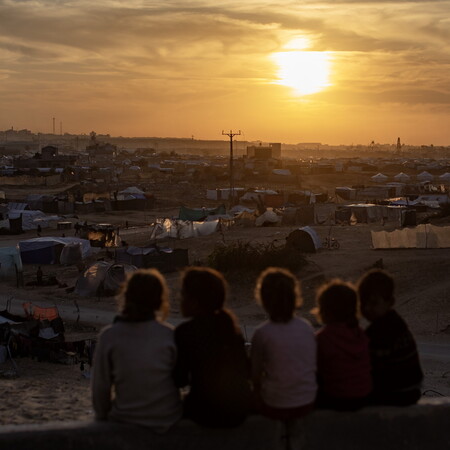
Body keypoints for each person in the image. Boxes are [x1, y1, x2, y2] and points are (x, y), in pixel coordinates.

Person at [91, 269, 182, 433]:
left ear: (126, 297)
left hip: (125, 421)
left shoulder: (109, 336)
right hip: (167, 421)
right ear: (159, 300)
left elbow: (100, 390)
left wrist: (103, 416)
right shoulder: (169, 334)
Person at [174, 267, 252, 427]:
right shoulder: (230, 328)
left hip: (206, 413)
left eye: (182, 294)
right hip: (239, 411)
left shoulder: (186, 332)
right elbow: (246, 370)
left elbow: (179, 379)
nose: (179, 299)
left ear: (194, 302)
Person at [251, 267, 317, 420]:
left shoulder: (262, 333)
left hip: (275, 404)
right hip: (307, 401)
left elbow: (256, 375)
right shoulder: (305, 327)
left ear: (263, 300)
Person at [358, 269, 423, 406]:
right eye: (363, 303)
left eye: (374, 303)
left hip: (395, 394)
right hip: (411, 391)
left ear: (390, 302)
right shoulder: (396, 322)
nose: (367, 308)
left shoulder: (380, 331)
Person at [314, 280, 372, 411]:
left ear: (324, 310)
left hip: (335, 400)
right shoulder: (360, 334)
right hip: (363, 397)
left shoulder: (323, 338)